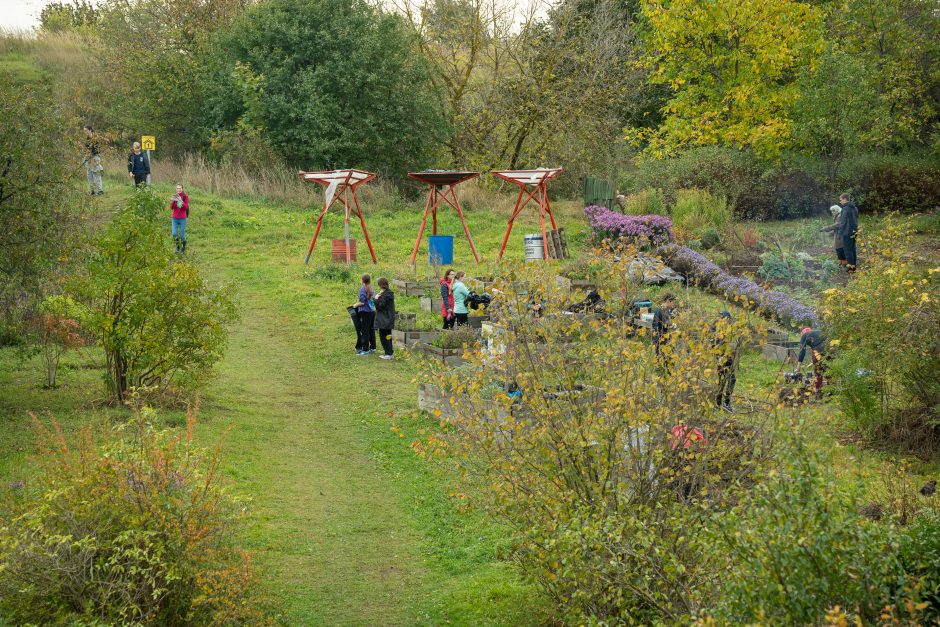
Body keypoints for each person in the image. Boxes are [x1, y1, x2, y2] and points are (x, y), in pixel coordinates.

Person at [711, 310, 739, 412]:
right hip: (723, 358)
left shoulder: (719, 328)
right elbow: (715, 345)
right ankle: (724, 403)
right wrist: (720, 357)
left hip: (725, 358)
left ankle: (719, 403)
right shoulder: (718, 330)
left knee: (724, 379)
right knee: (728, 379)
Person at [796, 327, 828, 395]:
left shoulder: (804, 335)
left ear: (802, 333)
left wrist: (798, 367)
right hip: (830, 349)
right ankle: (831, 390)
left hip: (818, 350)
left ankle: (817, 391)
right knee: (828, 370)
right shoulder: (818, 331)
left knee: (818, 372)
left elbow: (802, 352)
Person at [373, 277, 396, 360]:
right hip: (388, 318)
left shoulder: (385, 295)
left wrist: (376, 299)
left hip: (384, 319)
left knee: (384, 337)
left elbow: (380, 306)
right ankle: (389, 352)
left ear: (380, 285)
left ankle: (388, 354)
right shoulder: (388, 293)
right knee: (388, 336)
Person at [354, 274, 376, 355]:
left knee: (364, 331)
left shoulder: (363, 289)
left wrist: (355, 305)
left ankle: (365, 349)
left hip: (365, 312)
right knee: (371, 329)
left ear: (362, 280)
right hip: (372, 312)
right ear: (370, 280)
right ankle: (373, 347)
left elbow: (362, 302)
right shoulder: (371, 288)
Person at [838, 194, 859, 272]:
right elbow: (856, 220)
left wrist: (840, 233)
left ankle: (850, 268)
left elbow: (843, 222)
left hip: (847, 232)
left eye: (840, 200)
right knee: (853, 249)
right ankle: (853, 267)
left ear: (845, 199)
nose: (840, 202)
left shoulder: (845, 209)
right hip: (855, 231)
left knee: (848, 250)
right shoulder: (855, 208)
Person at [821, 204, 846, 269]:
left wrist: (826, 228)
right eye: (831, 211)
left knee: (840, 249)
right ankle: (841, 263)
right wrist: (831, 233)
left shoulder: (840, 216)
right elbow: (837, 227)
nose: (832, 212)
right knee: (839, 249)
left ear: (837, 210)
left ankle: (844, 265)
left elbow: (836, 225)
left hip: (841, 235)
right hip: (839, 234)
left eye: (833, 211)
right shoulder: (838, 215)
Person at [83, 126, 103, 196]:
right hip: (88, 158)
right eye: (84, 131)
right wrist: (86, 154)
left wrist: (91, 153)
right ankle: (91, 191)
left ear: (90, 130)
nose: (85, 132)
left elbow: (98, 149)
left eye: (86, 130)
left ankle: (100, 190)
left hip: (95, 157)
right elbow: (85, 148)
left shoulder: (95, 138)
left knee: (96, 173)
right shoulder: (87, 139)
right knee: (89, 175)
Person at [170, 184, 189, 253]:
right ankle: (177, 246)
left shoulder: (185, 197)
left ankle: (183, 247)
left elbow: (185, 207)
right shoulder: (175, 196)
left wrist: (180, 200)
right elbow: (172, 208)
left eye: (180, 188)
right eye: (177, 188)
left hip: (182, 218)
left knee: (182, 235)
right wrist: (172, 201)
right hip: (174, 218)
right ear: (176, 189)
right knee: (174, 234)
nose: (179, 189)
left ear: (182, 189)